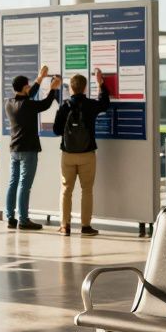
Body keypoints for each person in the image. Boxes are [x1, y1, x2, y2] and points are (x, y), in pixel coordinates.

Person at [52, 69, 110, 237]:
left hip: (67, 154)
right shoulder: (90, 105)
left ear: (71, 88)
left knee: (66, 190)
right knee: (87, 190)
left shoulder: (64, 106)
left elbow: (56, 130)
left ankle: (65, 226)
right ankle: (85, 226)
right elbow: (105, 103)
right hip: (87, 153)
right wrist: (101, 84)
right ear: (85, 88)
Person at [4, 66, 60, 231]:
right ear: (24, 88)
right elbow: (45, 104)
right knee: (24, 185)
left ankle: (10, 218)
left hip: (14, 149)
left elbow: (29, 95)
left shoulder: (9, 103)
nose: (30, 87)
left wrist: (39, 78)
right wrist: (53, 89)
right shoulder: (28, 105)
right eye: (28, 86)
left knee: (13, 183)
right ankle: (24, 220)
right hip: (28, 150)